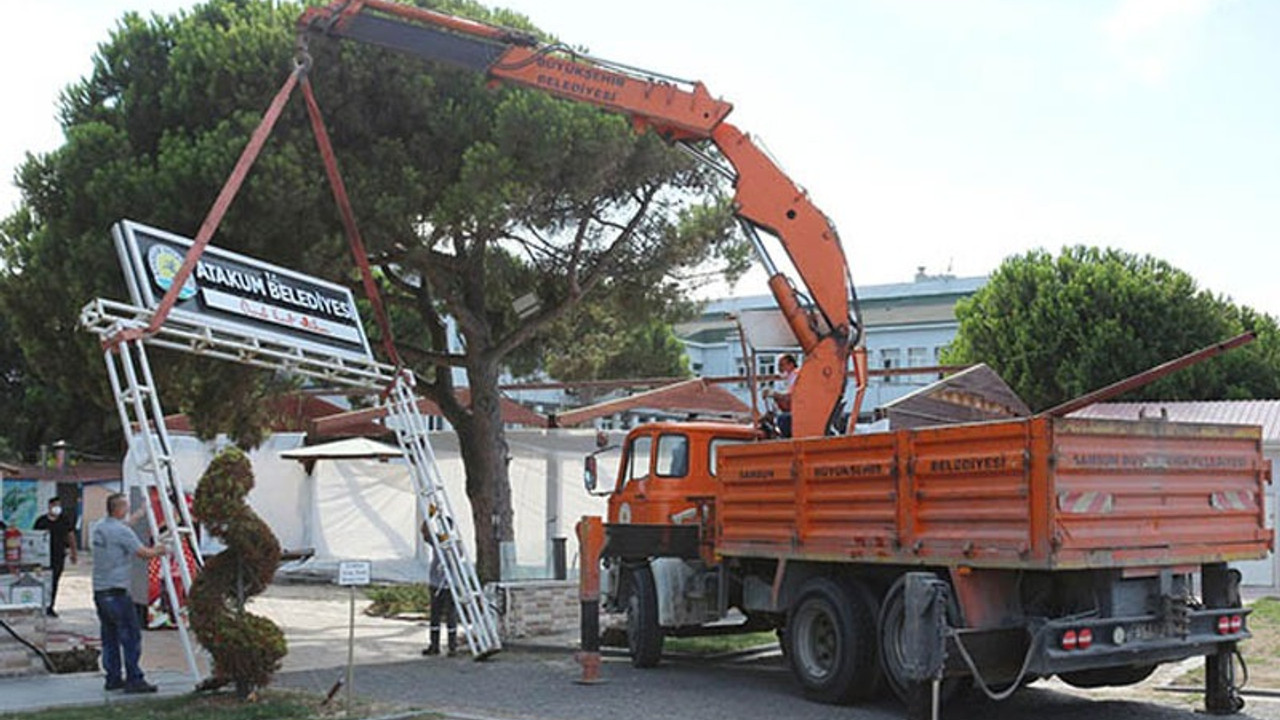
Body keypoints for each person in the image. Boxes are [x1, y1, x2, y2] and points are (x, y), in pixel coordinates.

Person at [92, 492, 168, 693]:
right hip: (117, 592)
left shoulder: (100, 527)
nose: (127, 510)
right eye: (125, 507)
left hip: (100, 591)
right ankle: (134, 679)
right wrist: (160, 550)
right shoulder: (121, 532)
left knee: (109, 636)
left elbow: (122, 528)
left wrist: (140, 513)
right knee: (130, 636)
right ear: (118, 509)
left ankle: (113, 678)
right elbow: (143, 554)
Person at [33, 497, 77, 617]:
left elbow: (71, 536)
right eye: (55, 505)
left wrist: (74, 553)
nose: (57, 508)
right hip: (42, 557)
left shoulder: (64, 520)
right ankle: (38, 605)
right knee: (40, 581)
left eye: (59, 505)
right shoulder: (41, 521)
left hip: (58, 556)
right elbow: (34, 538)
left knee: (54, 582)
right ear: (50, 506)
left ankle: (50, 606)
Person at [421, 523, 458, 656]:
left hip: (450, 584)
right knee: (435, 615)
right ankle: (434, 645)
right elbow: (425, 533)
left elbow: (457, 558)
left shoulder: (455, 542)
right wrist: (429, 515)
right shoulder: (437, 539)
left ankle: (452, 647)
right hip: (436, 583)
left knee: (451, 615)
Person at [763, 353, 800, 437]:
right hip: (794, 409)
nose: (780, 369)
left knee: (783, 419)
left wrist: (773, 394)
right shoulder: (790, 378)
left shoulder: (796, 375)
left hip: (799, 411)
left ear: (791, 364)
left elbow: (791, 397)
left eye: (782, 365)